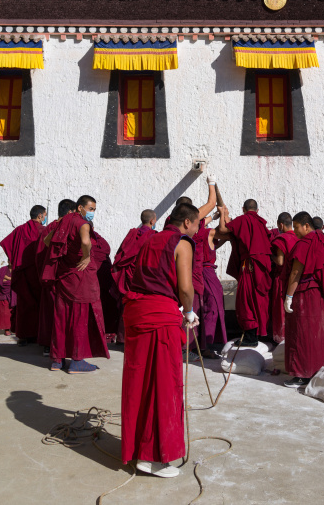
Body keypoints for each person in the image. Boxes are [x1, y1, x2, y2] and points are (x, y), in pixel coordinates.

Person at [121, 202, 200, 478]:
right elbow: (185, 287)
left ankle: (135, 450)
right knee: (163, 385)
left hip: (137, 313)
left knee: (139, 383)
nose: (198, 228)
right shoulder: (183, 243)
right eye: (197, 223)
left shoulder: (150, 239)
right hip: (160, 317)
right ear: (188, 223)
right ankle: (153, 458)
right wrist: (189, 312)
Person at [42, 195, 109, 373]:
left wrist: (65, 256)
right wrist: (86, 256)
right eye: (91, 209)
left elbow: (47, 241)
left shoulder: (63, 222)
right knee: (79, 318)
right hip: (80, 277)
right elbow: (86, 241)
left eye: (94, 209)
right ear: (80, 208)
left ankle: (57, 361)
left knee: (61, 318)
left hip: (64, 276)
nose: (92, 212)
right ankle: (77, 361)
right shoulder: (82, 224)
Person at [164, 177, 217, 358]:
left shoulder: (168, 225)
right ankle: (185, 348)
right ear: (188, 219)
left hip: (170, 271)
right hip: (189, 269)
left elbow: (205, 217)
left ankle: (183, 346)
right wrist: (212, 183)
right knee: (189, 307)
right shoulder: (184, 234)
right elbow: (211, 203)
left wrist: (213, 218)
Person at [283, 211, 324, 388]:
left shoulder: (305, 243)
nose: (295, 231)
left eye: (296, 227)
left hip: (304, 293)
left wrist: (289, 296)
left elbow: (296, 272)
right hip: (319, 292)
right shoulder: (322, 239)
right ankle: (318, 370)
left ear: (306, 226)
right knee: (317, 333)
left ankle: (301, 375)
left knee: (302, 334)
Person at [216, 200, 272, 347]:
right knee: (259, 299)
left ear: (243, 209)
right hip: (263, 265)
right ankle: (259, 334)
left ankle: (250, 337)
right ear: (257, 210)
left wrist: (222, 214)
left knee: (245, 300)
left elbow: (222, 230)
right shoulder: (260, 223)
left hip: (250, 266)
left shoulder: (243, 220)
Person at [0, 205, 47, 345]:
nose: (44, 218)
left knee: (24, 303)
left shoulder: (20, 229)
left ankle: (23, 335)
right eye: (44, 215)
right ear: (40, 216)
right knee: (38, 303)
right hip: (36, 273)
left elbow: (7, 244)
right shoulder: (43, 231)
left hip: (21, 272)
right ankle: (37, 334)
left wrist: (15, 262)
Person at [36, 199, 77, 355]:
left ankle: (56, 345)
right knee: (54, 312)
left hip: (57, 277)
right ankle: (52, 345)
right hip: (57, 277)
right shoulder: (54, 228)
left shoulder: (51, 228)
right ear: (69, 213)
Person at [111, 209, 157, 343]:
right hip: (142, 275)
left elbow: (121, 253)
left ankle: (122, 337)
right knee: (141, 305)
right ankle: (137, 336)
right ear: (152, 221)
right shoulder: (153, 235)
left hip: (128, 274)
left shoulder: (132, 234)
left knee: (127, 304)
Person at [200, 219, 228, 355]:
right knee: (212, 308)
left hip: (206, 272)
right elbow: (224, 232)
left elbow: (215, 245)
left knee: (213, 306)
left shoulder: (200, 235)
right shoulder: (206, 232)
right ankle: (206, 345)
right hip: (206, 273)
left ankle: (210, 342)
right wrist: (222, 214)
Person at [270, 213, 298, 344]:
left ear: (280, 224)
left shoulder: (281, 239)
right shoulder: (298, 237)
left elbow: (280, 261)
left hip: (282, 278)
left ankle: (281, 338)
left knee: (280, 308)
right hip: (296, 278)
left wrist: (271, 256)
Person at [0, 263, 16, 335]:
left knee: (9, 313)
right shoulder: (3, 269)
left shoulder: (15, 270)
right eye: (9, 261)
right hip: (3, 294)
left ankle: (7, 329)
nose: (10, 263)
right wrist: (9, 279)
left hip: (11, 294)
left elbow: (16, 280)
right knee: (0, 313)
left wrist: (7, 278)